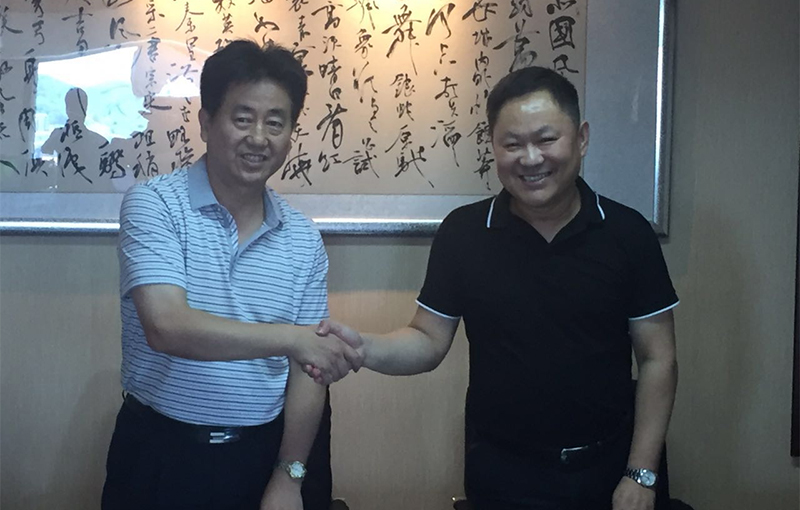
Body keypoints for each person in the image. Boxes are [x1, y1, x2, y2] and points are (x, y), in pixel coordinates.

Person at [316, 66, 679, 510]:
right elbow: (427, 340)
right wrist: (363, 348)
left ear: (581, 138)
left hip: (608, 468)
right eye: (513, 144)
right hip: (502, 471)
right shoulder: (464, 233)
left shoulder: (627, 233)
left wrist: (641, 473)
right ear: (493, 147)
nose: (531, 158)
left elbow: (658, 358)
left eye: (546, 139)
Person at [101, 40, 361, 510]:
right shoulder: (154, 205)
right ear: (206, 123)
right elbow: (167, 326)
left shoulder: (303, 237)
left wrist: (289, 475)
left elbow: (310, 370)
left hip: (261, 456)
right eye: (243, 119)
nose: (259, 138)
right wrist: (292, 339)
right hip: (161, 454)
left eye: (275, 123)